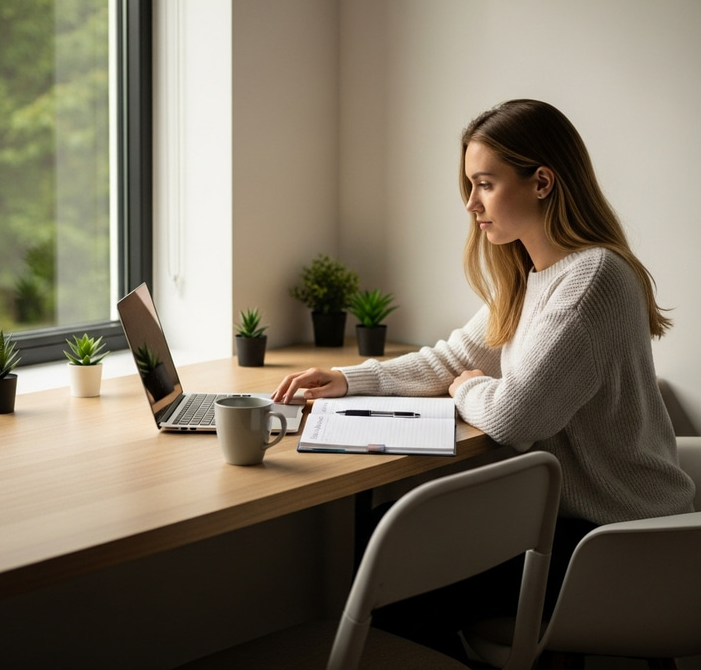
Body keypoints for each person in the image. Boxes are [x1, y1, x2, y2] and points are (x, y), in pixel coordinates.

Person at [272, 99, 696, 652]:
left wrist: (469, 387)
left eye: (484, 184)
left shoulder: (591, 279)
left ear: (541, 182)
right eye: (470, 187)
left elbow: (517, 416)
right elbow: (452, 358)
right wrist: (351, 381)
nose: (471, 204)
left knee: (396, 557)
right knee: (389, 536)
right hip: (577, 528)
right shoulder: (532, 277)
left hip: (623, 541)